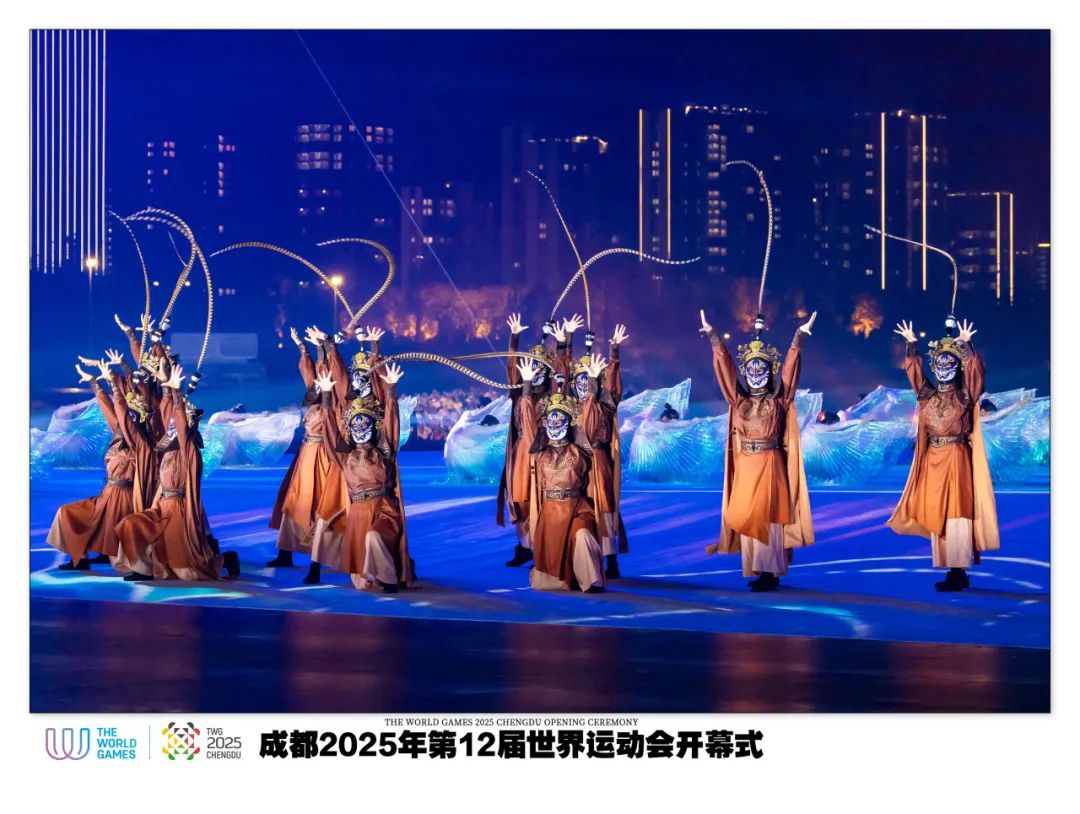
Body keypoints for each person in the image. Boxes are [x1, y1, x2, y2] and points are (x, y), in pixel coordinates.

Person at [699, 309, 817, 592]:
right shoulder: (739, 402)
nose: (755, 375)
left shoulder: (778, 401)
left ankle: (770, 572)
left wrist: (798, 338)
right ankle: (756, 567)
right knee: (748, 515)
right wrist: (714, 338)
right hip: (746, 465)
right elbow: (726, 373)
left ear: (768, 372)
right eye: (750, 370)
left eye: (760, 369)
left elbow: (790, 374)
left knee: (768, 516)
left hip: (770, 463)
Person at [887, 319, 999, 591]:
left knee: (956, 511)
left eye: (950, 362)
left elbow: (976, 372)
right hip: (934, 459)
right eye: (939, 363)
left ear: (957, 366)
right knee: (939, 511)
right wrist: (911, 344)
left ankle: (958, 570)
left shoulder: (964, 395)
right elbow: (914, 373)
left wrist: (967, 344)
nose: (943, 367)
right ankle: (950, 567)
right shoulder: (927, 395)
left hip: (957, 457)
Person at [114, 366, 239, 581]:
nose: (171, 428)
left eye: (177, 426)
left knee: (190, 571)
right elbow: (167, 416)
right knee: (131, 524)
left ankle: (226, 559)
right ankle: (142, 568)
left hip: (180, 511)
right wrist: (166, 388)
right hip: (161, 509)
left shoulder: (189, 451)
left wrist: (177, 394)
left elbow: (179, 424)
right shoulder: (167, 451)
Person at [310, 364, 416, 592]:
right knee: (361, 581)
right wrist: (326, 395)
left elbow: (391, 426)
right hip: (358, 513)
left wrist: (391, 390)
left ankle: (388, 579)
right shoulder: (345, 457)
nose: (360, 431)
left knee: (374, 537)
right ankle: (376, 574)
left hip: (383, 509)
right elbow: (330, 433)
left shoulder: (383, 453)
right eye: (355, 427)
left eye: (365, 425)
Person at [46, 360, 153, 570]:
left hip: (124, 498)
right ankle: (80, 557)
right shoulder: (118, 435)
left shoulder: (139, 443)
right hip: (106, 495)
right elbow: (108, 409)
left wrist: (115, 383)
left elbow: (121, 411)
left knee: (112, 524)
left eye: (126, 420)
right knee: (68, 512)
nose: (119, 423)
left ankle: (108, 551)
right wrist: (95, 383)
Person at [518, 355, 607, 593]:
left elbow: (590, 417)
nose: (554, 425)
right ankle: (567, 578)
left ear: (568, 424)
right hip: (550, 511)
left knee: (583, 535)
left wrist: (593, 383)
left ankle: (591, 580)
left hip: (577, 507)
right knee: (551, 582)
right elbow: (527, 423)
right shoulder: (540, 452)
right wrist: (526, 385)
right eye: (550, 421)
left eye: (560, 421)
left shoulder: (580, 449)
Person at [265, 326, 339, 572]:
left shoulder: (333, 401)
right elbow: (311, 372)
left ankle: (318, 560)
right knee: (293, 500)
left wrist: (324, 347)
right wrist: (303, 347)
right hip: (305, 454)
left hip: (323, 456)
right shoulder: (315, 392)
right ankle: (285, 552)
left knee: (319, 503)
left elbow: (326, 370)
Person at [567, 324, 630, 578]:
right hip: (575, 463)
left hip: (597, 461)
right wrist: (565, 340)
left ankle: (610, 559)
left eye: (588, 380)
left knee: (603, 508)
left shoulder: (605, 404)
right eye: (580, 380)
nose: (584, 385)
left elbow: (612, 386)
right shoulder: (570, 407)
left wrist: (614, 352)